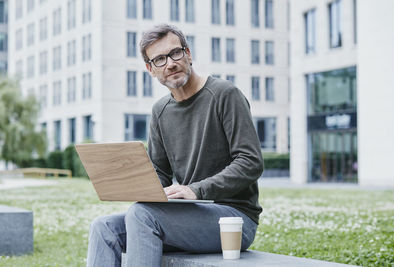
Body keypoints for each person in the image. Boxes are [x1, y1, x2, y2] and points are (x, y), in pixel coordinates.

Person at [86, 24, 264, 267]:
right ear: (150, 69)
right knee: (103, 227)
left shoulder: (225, 95)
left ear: (188, 54)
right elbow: (160, 173)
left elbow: (250, 162)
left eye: (175, 53)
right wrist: (131, 184)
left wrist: (196, 190)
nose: (170, 64)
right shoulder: (160, 111)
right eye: (159, 59)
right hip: (188, 215)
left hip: (233, 220)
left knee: (142, 215)